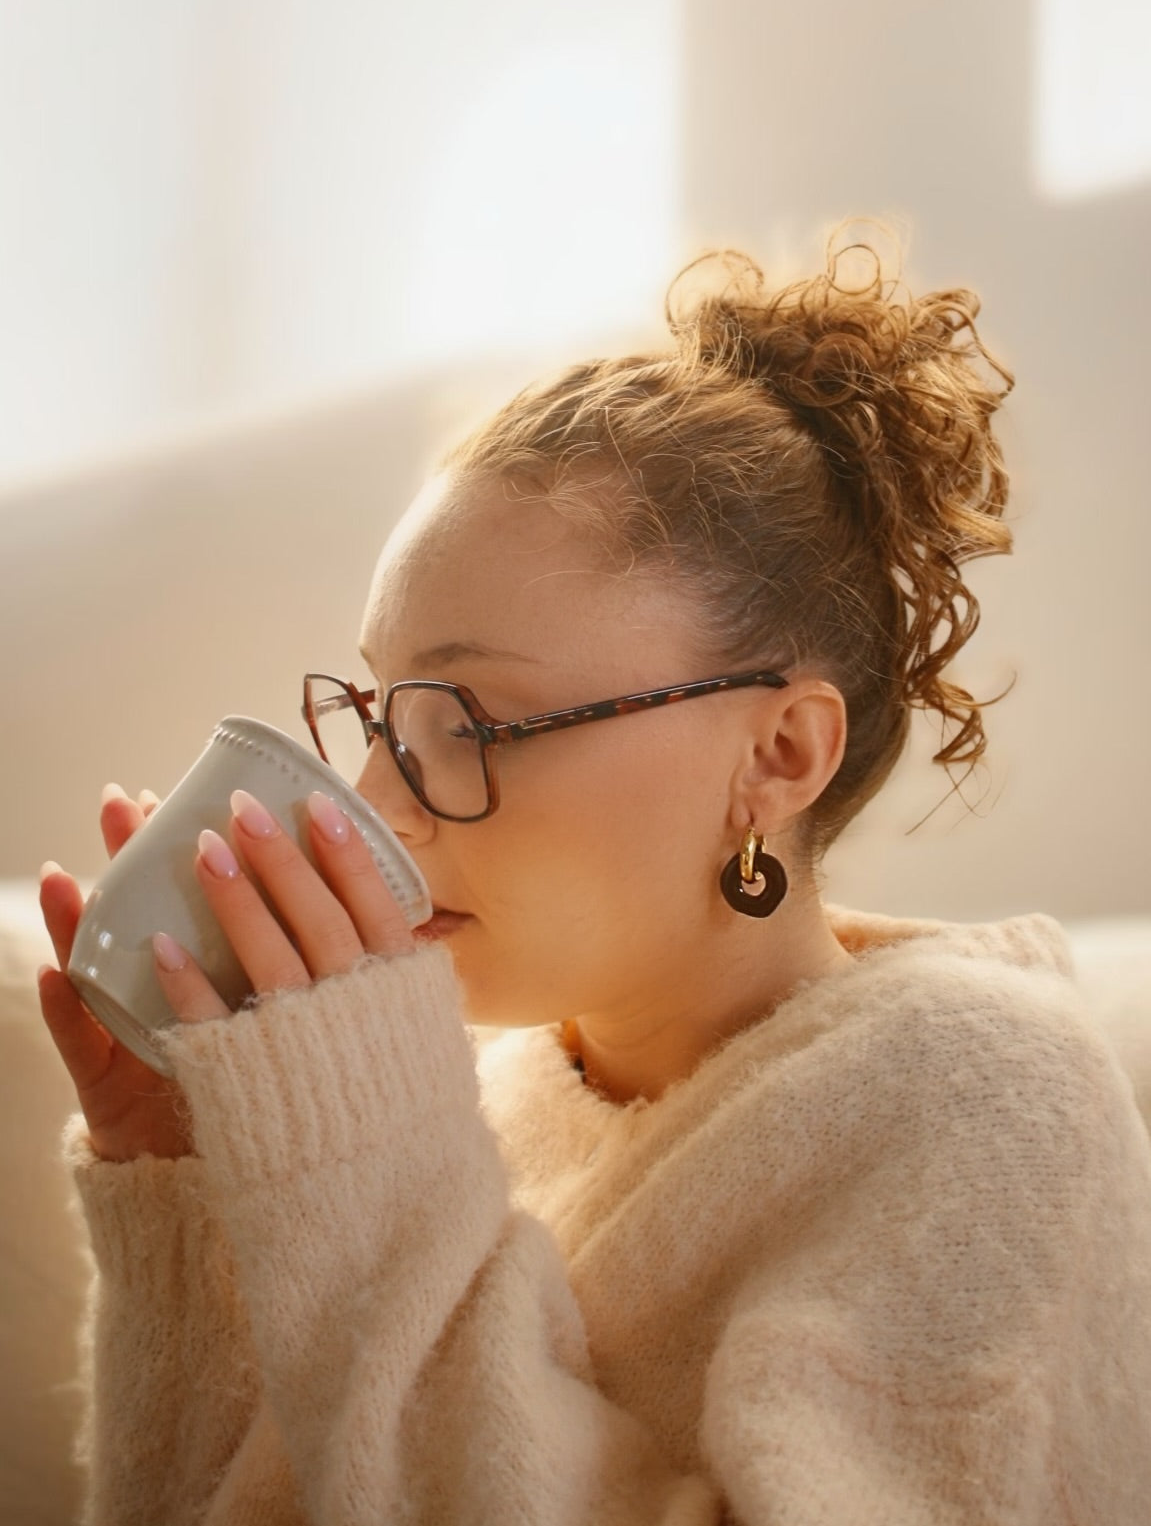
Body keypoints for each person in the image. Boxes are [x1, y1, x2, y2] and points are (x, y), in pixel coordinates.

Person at [37, 228, 1151, 1525]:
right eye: (384, 720)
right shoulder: (497, 1098)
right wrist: (190, 1197)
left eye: (472, 722)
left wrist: (377, 1158)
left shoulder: (991, 1098)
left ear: (776, 753)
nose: (383, 801)